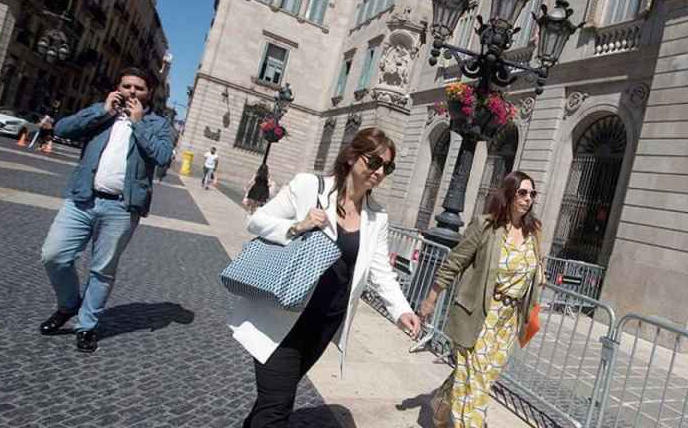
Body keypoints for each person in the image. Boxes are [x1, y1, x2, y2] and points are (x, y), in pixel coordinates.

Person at [229, 127, 422, 427]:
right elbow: (255, 220)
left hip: (323, 324)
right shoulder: (309, 186)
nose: (380, 171)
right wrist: (296, 226)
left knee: (272, 401)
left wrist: (402, 310)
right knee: (276, 408)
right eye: (374, 161)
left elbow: (381, 270)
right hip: (283, 314)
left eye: (388, 167)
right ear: (351, 157)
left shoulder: (377, 216)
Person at [38, 67, 174, 352]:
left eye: (138, 88)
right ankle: (68, 305)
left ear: (149, 93)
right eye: (126, 86)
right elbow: (62, 128)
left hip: (122, 208)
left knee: (102, 270)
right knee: (54, 255)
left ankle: (86, 325)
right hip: (82, 198)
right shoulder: (101, 113)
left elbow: (162, 158)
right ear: (118, 87)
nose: (131, 92)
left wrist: (138, 124)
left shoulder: (157, 124)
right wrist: (101, 111)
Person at [419, 171, 545, 428]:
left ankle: (441, 401)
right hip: (480, 314)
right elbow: (455, 260)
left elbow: (536, 266)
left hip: (509, 322)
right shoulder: (486, 226)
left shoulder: (534, 232)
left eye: (532, 194)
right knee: (477, 385)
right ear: (509, 194)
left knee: (480, 377)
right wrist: (431, 297)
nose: (528, 198)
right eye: (522, 192)